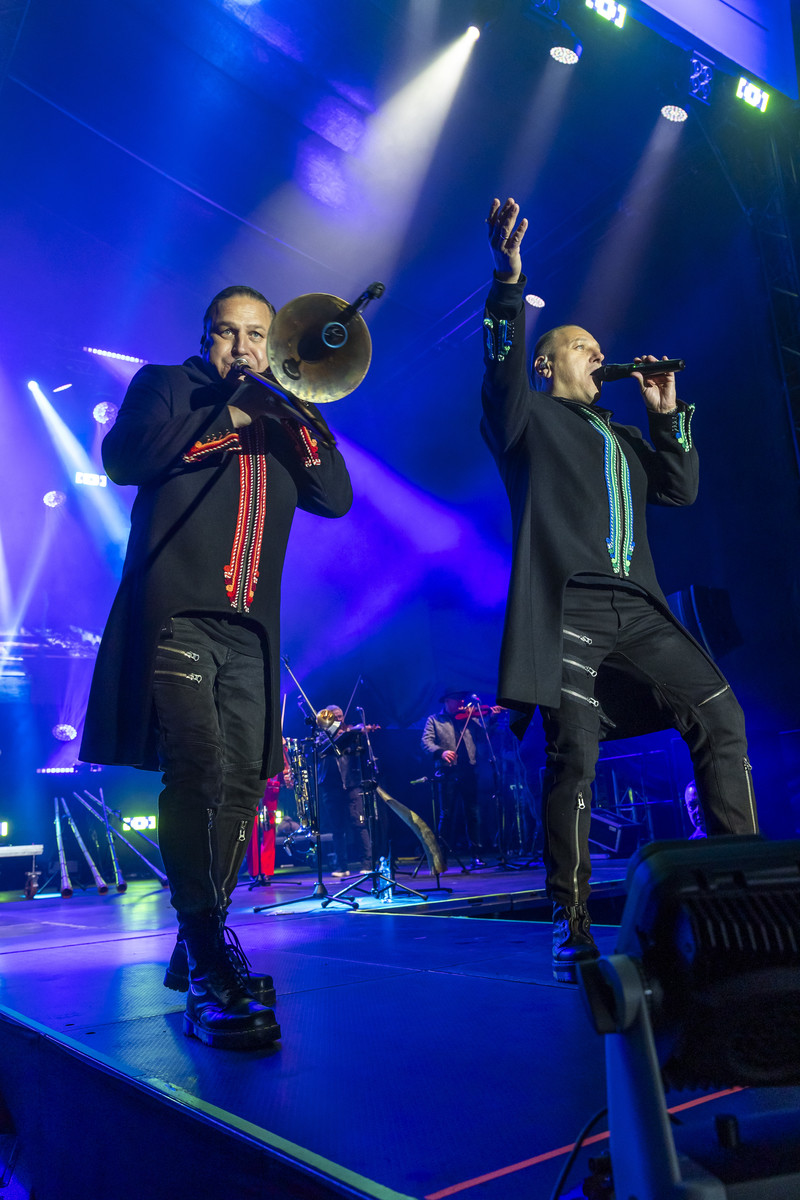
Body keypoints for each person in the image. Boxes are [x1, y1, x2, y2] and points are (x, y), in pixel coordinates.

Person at [482, 197, 758, 983]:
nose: (598, 355)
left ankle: (737, 887)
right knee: (574, 755)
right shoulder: (526, 419)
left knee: (721, 715)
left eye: (601, 348)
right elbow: (499, 371)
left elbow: (680, 489)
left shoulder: (625, 435)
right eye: (581, 347)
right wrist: (508, 281)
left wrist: (666, 415)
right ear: (547, 364)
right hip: (567, 605)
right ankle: (570, 921)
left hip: (638, 606)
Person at [80, 285, 353, 1047]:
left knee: (242, 783)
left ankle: (202, 942)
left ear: (272, 343)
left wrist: (301, 417)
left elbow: (335, 496)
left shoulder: (285, 412)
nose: (242, 347)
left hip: (251, 632)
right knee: (197, 772)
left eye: (256, 335)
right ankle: (207, 963)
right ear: (206, 339)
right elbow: (123, 459)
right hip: (176, 616)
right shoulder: (168, 385)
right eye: (228, 333)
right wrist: (228, 418)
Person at [421, 689, 500, 869]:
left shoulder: (470, 718)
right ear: (447, 701)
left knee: (473, 813)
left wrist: (492, 718)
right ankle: (441, 857)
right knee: (447, 814)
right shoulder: (435, 720)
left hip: (469, 770)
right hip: (447, 771)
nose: (461, 703)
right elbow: (426, 742)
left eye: (462, 700)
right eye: (457, 700)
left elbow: (483, 736)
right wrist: (441, 752)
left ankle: (476, 855)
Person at [316, 704, 378, 876]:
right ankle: (342, 867)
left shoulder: (350, 734)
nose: (339, 720)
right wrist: (336, 736)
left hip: (351, 784)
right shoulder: (322, 736)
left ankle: (367, 863)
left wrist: (358, 733)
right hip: (330, 786)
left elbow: (358, 750)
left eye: (341, 716)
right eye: (335, 717)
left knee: (359, 823)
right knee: (337, 828)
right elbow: (320, 750)